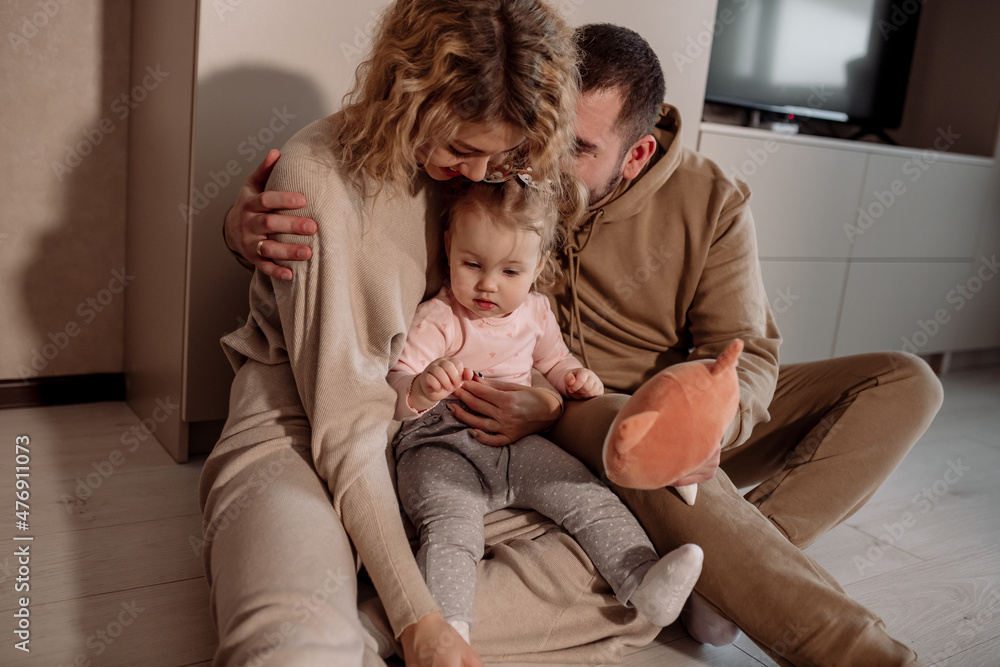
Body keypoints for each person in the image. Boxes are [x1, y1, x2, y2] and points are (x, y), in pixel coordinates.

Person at [226, 22, 943, 667]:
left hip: (651, 400)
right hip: (562, 408)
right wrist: (243, 230)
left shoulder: (708, 201)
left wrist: (710, 418)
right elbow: (359, 218)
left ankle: (728, 573)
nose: (534, 165)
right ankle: (822, 630)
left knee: (905, 381)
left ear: (635, 155)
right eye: (536, 141)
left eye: (572, 148)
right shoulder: (491, 172)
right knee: (631, 454)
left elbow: (745, 352)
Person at [198, 2, 599, 666]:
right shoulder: (320, 180)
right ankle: (377, 617)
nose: (476, 175)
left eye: (499, 157)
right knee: (294, 647)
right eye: (460, 149)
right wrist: (418, 617)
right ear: (403, 94)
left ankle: (379, 620)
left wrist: (549, 399)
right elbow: (347, 425)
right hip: (305, 429)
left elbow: (525, 318)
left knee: (611, 558)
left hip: (437, 443)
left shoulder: (495, 175)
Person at [385, 179, 703, 645]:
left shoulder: (535, 313)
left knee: (587, 495)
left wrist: (575, 378)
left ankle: (642, 581)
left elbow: (555, 361)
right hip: (438, 442)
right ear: (450, 248)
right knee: (451, 526)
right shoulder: (440, 316)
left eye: (511, 272)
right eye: (472, 264)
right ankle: (448, 627)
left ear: (536, 266)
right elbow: (396, 382)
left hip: (517, 444)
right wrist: (420, 387)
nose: (488, 285)